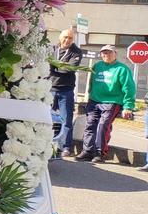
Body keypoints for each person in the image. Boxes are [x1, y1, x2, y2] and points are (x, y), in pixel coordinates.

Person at [77, 45, 137, 163]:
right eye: (104, 53)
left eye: (109, 53)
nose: (106, 55)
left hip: (112, 102)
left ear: (115, 54)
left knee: (103, 125)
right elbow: (91, 83)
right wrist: (90, 97)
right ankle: (87, 151)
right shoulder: (97, 66)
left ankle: (100, 152)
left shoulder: (122, 69)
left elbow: (129, 88)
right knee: (90, 125)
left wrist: (128, 107)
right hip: (95, 101)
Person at [50, 28, 83, 159]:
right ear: (60, 37)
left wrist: (53, 65)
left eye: (70, 38)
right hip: (50, 89)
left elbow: (68, 69)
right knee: (47, 119)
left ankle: (65, 147)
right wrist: (57, 66)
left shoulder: (76, 52)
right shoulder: (52, 49)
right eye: (65, 37)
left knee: (66, 120)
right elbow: (46, 66)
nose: (67, 40)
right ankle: (49, 144)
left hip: (66, 90)